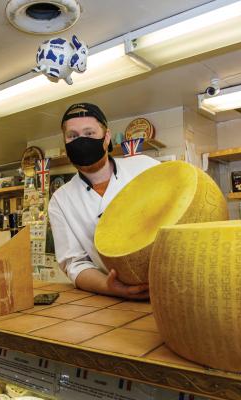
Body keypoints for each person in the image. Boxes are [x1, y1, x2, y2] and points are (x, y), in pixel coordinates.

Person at [48, 103, 159, 299]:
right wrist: (110, 287)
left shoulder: (145, 168)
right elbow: (74, 263)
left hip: (166, 283)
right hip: (115, 298)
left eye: (89, 133)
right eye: (73, 136)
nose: (81, 141)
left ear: (106, 137)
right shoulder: (60, 200)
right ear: (65, 143)